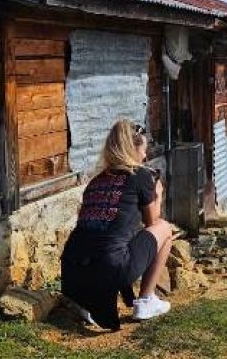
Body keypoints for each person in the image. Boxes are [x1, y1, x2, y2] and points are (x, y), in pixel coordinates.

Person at [60, 120, 175, 330]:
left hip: (72, 272)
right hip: (109, 268)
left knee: (114, 241)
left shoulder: (95, 182)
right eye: (143, 150)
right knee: (165, 228)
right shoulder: (139, 175)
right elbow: (152, 222)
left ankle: (89, 300)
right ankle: (146, 301)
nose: (145, 156)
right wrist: (158, 195)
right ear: (132, 149)